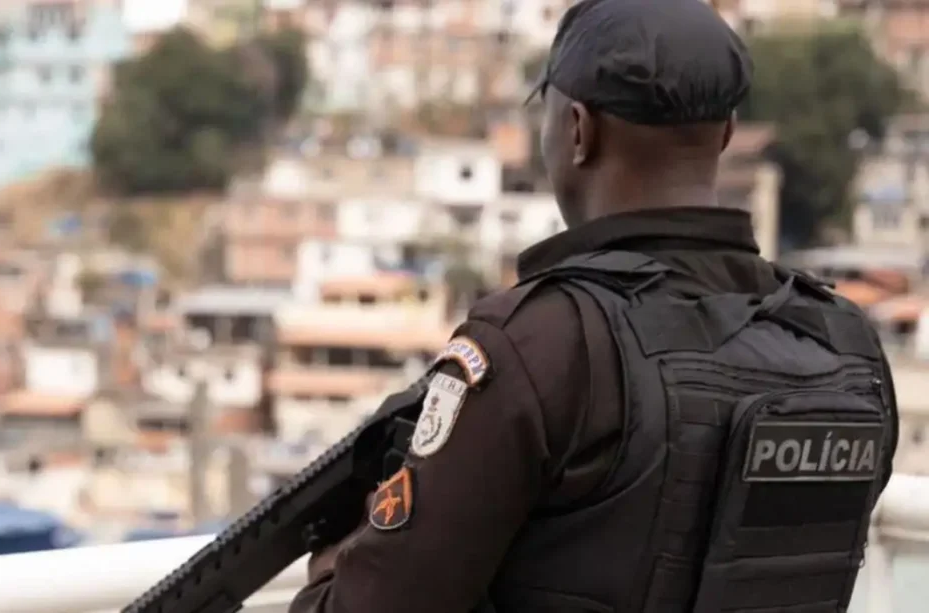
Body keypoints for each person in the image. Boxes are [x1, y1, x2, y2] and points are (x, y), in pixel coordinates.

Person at [288, 0, 899, 611]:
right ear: (728, 132)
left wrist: (334, 561)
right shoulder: (844, 347)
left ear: (578, 130)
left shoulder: (539, 346)